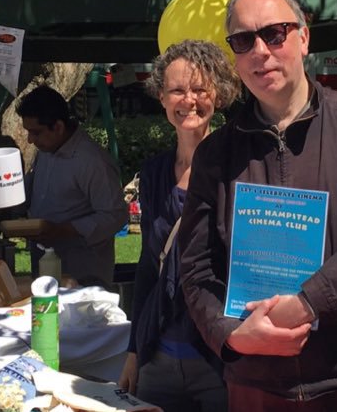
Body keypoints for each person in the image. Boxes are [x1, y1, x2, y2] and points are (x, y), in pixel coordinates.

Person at [177, 0, 337, 411]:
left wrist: (309, 303)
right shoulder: (216, 154)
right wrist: (231, 335)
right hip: (257, 383)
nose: (260, 51)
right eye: (243, 40)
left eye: (274, 33)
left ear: (303, 37)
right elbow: (196, 267)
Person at [119, 40, 239, 412]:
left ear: (217, 95)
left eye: (200, 89)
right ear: (162, 97)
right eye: (177, 90)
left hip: (219, 361)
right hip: (158, 360)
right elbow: (148, 266)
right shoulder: (154, 173)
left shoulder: (237, 169)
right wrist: (134, 352)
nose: (189, 100)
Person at [17, 85, 128, 288]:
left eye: (36, 132)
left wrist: (65, 230)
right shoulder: (46, 151)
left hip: (83, 275)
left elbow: (115, 215)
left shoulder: (91, 161)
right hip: (45, 271)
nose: (30, 140)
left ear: (58, 127)